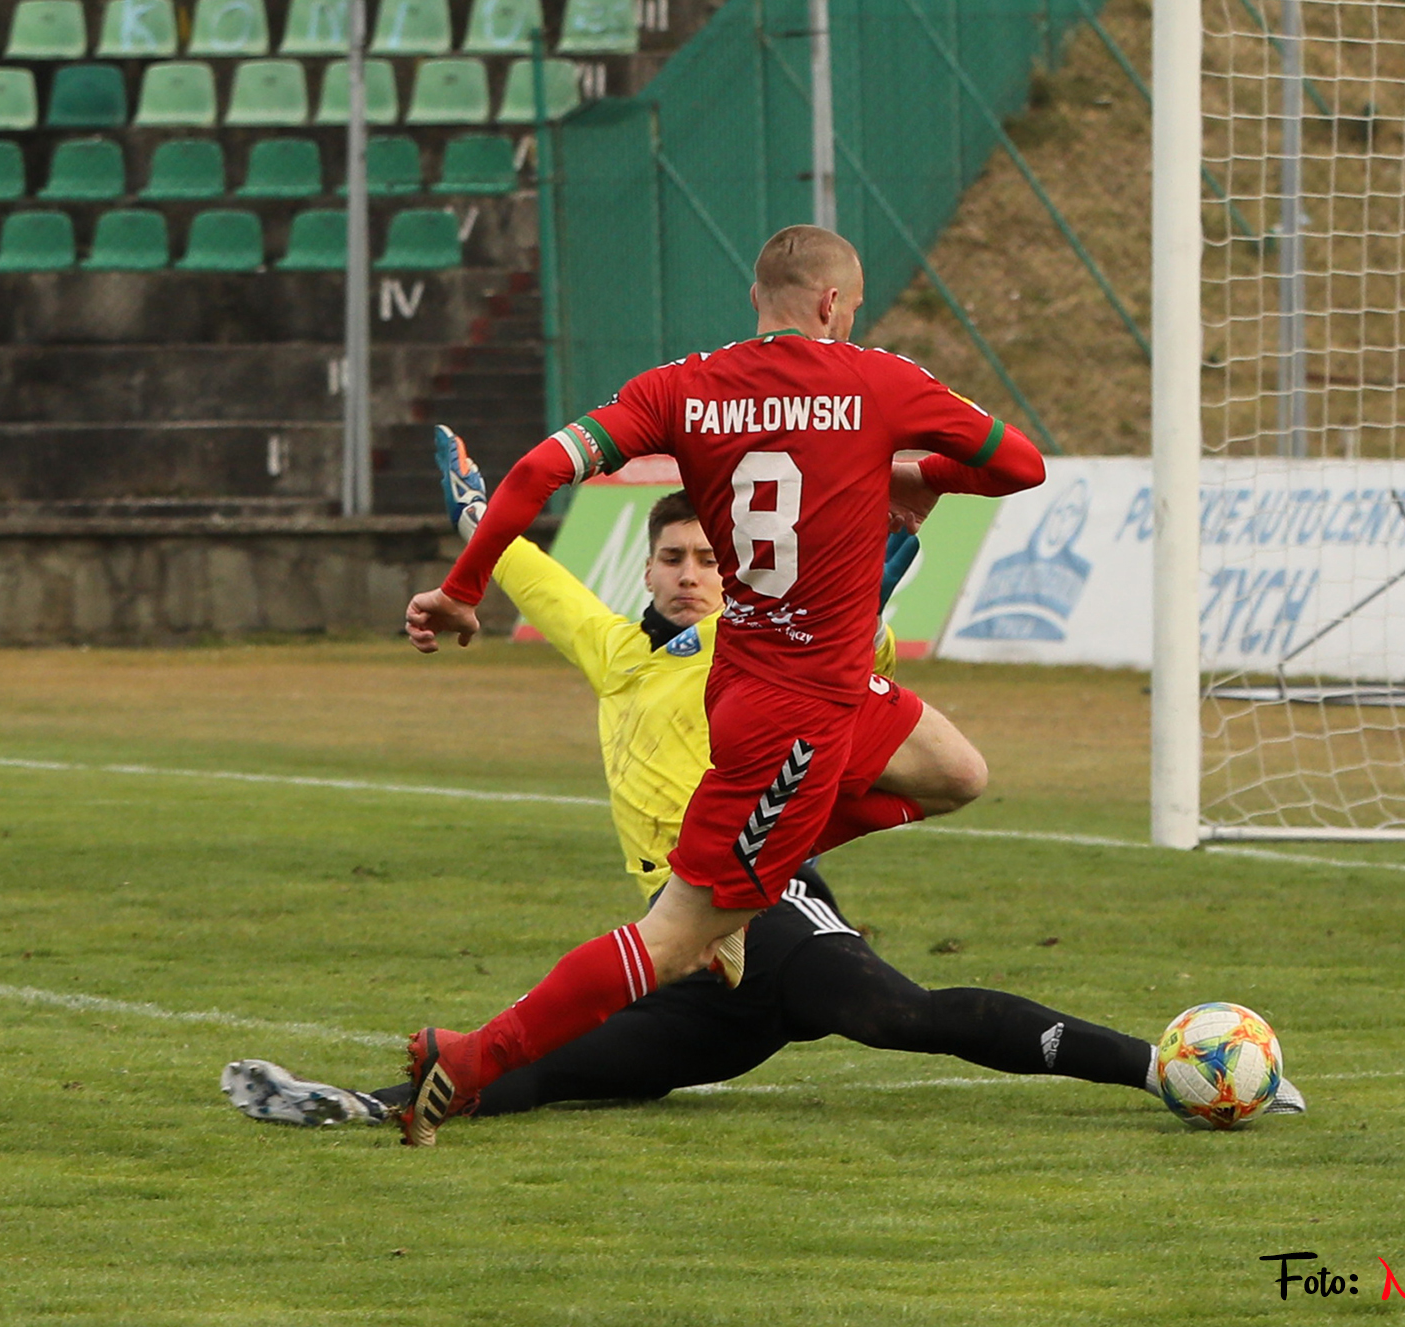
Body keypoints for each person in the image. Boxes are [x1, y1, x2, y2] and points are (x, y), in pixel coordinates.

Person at [221, 431, 1281, 1130]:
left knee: (898, 1016)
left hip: (766, 902)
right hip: (686, 935)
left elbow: (860, 628)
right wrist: (475, 510)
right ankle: (362, 1104)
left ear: (733, 570)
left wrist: (877, 568)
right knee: (580, 1068)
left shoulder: (763, 643)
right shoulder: (614, 651)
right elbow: (524, 570)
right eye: (672, 558)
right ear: (644, 568)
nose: (689, 574)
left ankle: (1159, 1067)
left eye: (706, 559)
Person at [390, 225, 1054, 1146]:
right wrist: (911, 470)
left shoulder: (682, 387)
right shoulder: (879, 381)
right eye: (851, 308)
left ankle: (753, 886)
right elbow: (1020, 464)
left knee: (955, 773)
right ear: (833, 303)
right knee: (676, 937)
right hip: (797, 709)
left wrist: (463, 588)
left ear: (757, 298)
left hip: (756, 676)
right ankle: (470, 1059)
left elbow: (540, 469)